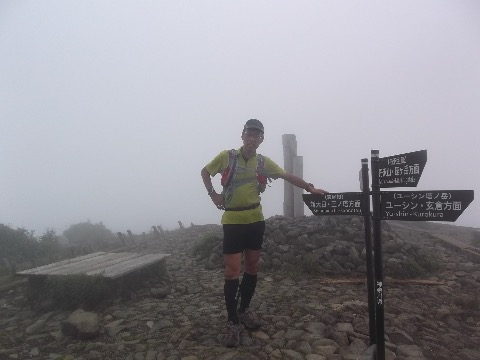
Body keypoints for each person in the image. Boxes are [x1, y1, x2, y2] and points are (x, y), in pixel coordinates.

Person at [200, 119, 327, 348]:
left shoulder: (262, 162)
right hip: (232, 221)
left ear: (261, 139)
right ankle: (232, 322)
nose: (252, 139)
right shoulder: (227, 157)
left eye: (257, 136)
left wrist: (309, 187)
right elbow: (205, 171)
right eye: (250, 134)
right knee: (231, 272)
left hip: (255, 220)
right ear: (243, 135)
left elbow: (287, 175)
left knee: (252, 267)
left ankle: (244, 310)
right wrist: (214, 195)